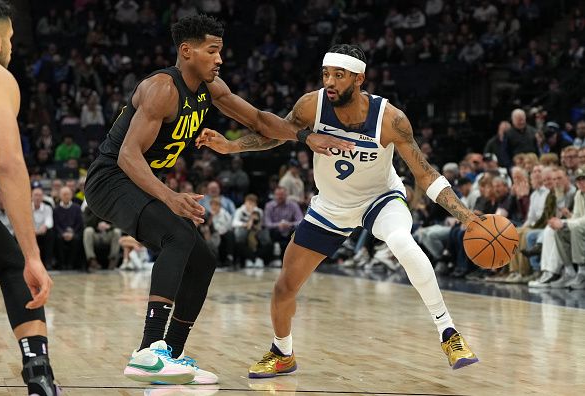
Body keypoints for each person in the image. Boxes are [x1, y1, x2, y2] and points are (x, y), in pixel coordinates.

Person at [84, 14, 352, 385]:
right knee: (176, 237)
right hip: (109, 179)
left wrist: (305, 137)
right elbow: (128, 155)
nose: (219, 59)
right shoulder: (162, 88)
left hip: (137, 181)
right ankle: (147, 352)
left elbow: (258, 120)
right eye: (212, 51)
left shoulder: (211, 89)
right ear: (187, 51)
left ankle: (171, 356)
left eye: (220, 51)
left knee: (203, 261)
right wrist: (170, 196)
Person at [198, 44, 480, 377]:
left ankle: (449, 333)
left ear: (359, 78)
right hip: (331, 206)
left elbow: (425, 174)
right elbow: (277, 134)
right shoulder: (311, 104)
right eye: (326, 74)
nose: (330, 81)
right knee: (284, 286)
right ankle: (282, 352)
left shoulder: (390, 119)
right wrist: (231, 147)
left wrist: (466, 215)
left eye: (339, 75)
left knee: (402, 241)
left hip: (381, 198)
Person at [0, 1, 59, 394]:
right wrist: (33, 255)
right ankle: (39, 378)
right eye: (12, 40)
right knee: (16, 266)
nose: (12, 48)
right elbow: (10, 164)